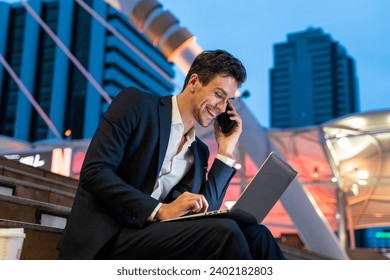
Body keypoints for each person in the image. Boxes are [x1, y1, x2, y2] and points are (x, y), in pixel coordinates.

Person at [58, 49, 286, 260]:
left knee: (258, 235)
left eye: (228, 101)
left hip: (155, 238)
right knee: (225, 232)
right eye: (219, 94)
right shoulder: (136, 104)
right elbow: (94, 172)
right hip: (110, 237)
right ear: (194, 82)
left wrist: (225, 150)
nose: (221, 107)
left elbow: (208, 210)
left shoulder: (199, 151)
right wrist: (159, 210)